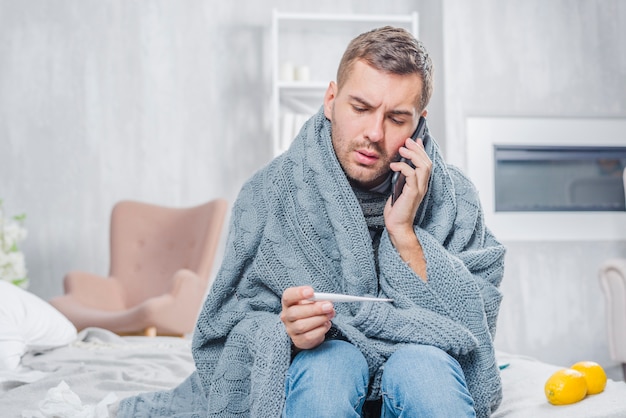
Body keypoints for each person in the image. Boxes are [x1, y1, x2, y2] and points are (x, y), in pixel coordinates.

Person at [117, 26, 505, 418]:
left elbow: (476, 324)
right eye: (360, 108)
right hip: (319, 362)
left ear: (418, 123)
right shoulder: (267, 193)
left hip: (422, 359)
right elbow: (225, 330)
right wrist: (285, 331)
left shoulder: (456, 199)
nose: (374, 133)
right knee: (328, 368)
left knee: (425, 373)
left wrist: (404, 234)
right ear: (331, 99)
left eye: (396, 118)